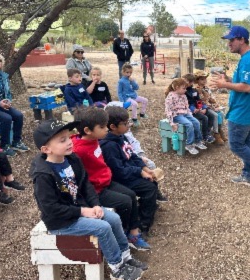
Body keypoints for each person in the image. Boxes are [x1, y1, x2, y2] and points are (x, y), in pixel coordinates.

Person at [30, 119, 147, 280]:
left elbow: (85, 184)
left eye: (68, 137)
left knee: (113, 218)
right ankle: (117, 268)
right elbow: (50, 208)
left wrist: (95, 204)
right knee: (103, 228)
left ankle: (125, 256)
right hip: (61, 221)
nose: (69, 142)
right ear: (46, 149)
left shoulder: (71, 159)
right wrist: (83, 211)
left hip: (81, 209)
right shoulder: (43, 175)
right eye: (62, 140)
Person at [72, 107, 150, 250]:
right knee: (125, 201)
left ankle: (133, 232)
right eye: (102, 127)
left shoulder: (95, 139)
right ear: (88, 130)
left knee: (131, 195)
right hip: (96, 190)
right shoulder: (79, 151)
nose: (106, 129)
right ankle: (123, 233)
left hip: (105, 182)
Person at [209, 26, 250, 187]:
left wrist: (224, 84)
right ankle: (248, 175)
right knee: (246, 145)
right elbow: (244, 82)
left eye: (232, 40)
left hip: (242, 112)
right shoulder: (248, 58)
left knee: (236, 145)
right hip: (248, 110)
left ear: (242, 40)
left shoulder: (248, 60)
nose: (229, 44)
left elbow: (247, 87)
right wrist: (229, 79)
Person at [100, 106, 158, 234]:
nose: (128, 125)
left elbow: (132, 155)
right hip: (121, 178)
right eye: (125, 123)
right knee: (149, 188)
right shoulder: (109, 146)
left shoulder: (121, 136)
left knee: (152, 180)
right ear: (112, 127)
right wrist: (139, 172)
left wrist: (144, 168)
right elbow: (118, 170)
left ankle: (148, 206)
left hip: (129, 171)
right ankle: (144, 223)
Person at [0, 52, 29, 156]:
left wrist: (8, 101)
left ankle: (16, 142)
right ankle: (4, 145)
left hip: (2, 105)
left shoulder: (3, 77)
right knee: (6, 118)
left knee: (18, 115)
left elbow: (8, 93)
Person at [165, 78, 207, 155]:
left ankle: (198, 141)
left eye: (186, 88)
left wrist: (190, 116)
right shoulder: (170, 96)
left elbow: (186, 107)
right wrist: (172, 123)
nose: (185, 90)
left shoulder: (184, 96)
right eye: (184, 88)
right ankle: (189, 144)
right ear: (177, 87)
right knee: (189, 124)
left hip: (185, 114)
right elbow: (168, 110)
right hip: (176, 115)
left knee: (196, 122)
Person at [194, 69, 227, 145]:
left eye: (205, 78)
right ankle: (215, 134)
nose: (204, 80)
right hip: (202, 107)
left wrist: (214, 103)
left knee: (221, 113)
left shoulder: (206, 88)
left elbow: (211, 98)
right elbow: (200, 101)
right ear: (197, 80)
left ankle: (219, 130)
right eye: (202, 79)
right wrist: (207, 102)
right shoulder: (196, 89)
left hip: (209, 106)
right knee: (214, 115)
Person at [183, 74, 215, 144]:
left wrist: (204, 108)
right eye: (188, 82)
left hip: (198, 109)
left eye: (190, 82)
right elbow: (186, 104)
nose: (190, 83)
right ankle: (205, 136)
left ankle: (207, 132)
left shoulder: (194, 90)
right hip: (190, 111)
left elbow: (199, 100)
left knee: (212, 115)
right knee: (204, 118)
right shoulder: (183, 91)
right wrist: (193, 109)